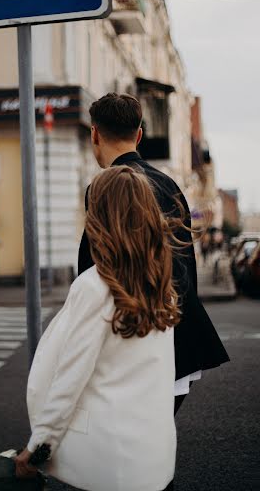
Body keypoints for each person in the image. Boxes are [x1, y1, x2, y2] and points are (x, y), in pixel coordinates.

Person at [16, 166, 180, 491]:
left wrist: (36, 451)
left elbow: (69, 380)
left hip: (109, 466)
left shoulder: (95, 287)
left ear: (100, 218)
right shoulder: (160, 286)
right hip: (155, 461)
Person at [78, 93, 229, 413]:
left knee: (123, 445)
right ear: (139, 134)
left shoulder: (105, 186)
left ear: (94, 133)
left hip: (135, 343)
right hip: (181, 333)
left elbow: (97, 267)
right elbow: (185, 259)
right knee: (150, 442)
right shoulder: (169, 184)